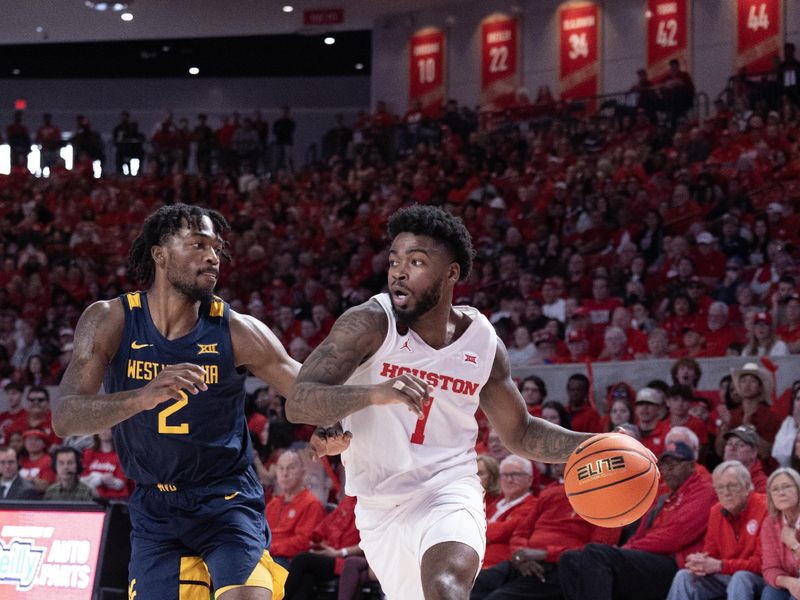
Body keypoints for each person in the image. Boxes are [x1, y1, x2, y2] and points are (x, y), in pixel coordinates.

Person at [287, 205, 599, 600]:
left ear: (451, 274)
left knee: (445, 588)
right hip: (379, 504)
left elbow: (520, 432)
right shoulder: (369, 322)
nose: (399, 271)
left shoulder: (483, 342)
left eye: (416, 262)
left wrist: (592, 444)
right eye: (395, 260)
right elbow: (298, 402)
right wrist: (375, 393)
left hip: (450, 488)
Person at [51, 203, 341, 600]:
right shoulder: (110, 319)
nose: (213, 257)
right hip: (155, 505)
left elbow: (312, 392)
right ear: (160, 253)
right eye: (199, 245)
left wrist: (337, 423)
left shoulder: (236, 330)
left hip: (225, 498)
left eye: (217, 248)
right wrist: (140, 397)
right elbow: (65, 417)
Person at [559, 440, 717, 600]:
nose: (667, 470)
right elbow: (640, 534)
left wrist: (629, 548)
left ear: (691, 466)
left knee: (597, 553)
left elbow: (674, 537)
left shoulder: (704, 491)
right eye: (664, 466)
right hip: (649, 559)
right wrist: (627, 547)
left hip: (674, 564)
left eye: (674, 464)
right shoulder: (665, 498)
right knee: (570, 559)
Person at [471, 462, 619, 600]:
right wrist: (521, 555)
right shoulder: (550, 492)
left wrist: (546, 554)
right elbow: (520, 532)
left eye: (563, 457)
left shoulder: (605, 499)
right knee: (471, 587)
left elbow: (596, 552)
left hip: (558, 567)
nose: (554, 461)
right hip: (525, 561)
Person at [665, 460, 767, 600]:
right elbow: (711, 552)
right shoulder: (716, 511)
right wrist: (700, 561)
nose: (726, 493)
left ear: (748, 487)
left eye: (732, 486)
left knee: (740, 578)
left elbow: (762, 564)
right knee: (684, 576)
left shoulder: (765, 508)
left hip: (758, 578)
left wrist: (720, 565)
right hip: (726, 574)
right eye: (720, 488)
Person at [282, 494, 361, 600]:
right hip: (331, 553)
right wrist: (317, 540)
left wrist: (340, 552)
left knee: (301, 560)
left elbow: (370, 543)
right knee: (306, 578)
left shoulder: (371, 505)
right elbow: (327, 524)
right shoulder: (348, 500)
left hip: (347, 560)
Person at [266, 450, 326, 568]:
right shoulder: (273, 504)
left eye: (291, 468)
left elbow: (304, 542)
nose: (285, 473)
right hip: (267, 556)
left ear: (303, 472)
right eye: (281, 468)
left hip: (289, 561)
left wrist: (269, 549)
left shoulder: (312, 504)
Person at [482, 455, 538, 570]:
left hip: (497, 566)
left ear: (529, 480)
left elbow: (503, 531)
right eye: (505, 475)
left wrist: (476, 529)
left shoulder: (532, 504)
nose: (509, 480)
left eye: (516, 475)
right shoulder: (493, 502)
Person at [761, 468, 800, 599]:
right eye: (775, 489)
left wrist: (794, 545)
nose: (781, 493)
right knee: (770, 593)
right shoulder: (770, 524)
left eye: (787, 486)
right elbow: (769, 568)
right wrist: (789, 582)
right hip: (791, 582)